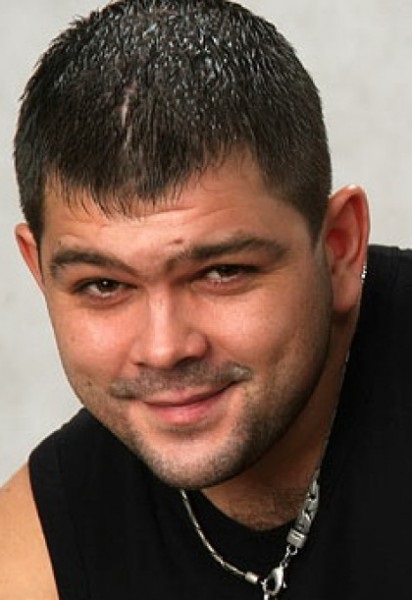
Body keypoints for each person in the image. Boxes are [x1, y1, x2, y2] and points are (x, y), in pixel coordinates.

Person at [1, 0, 411, 598]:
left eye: (222, 272)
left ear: (339, 247)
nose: (164, 348)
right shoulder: (38, 550)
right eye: (103, 285)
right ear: (40, 272)